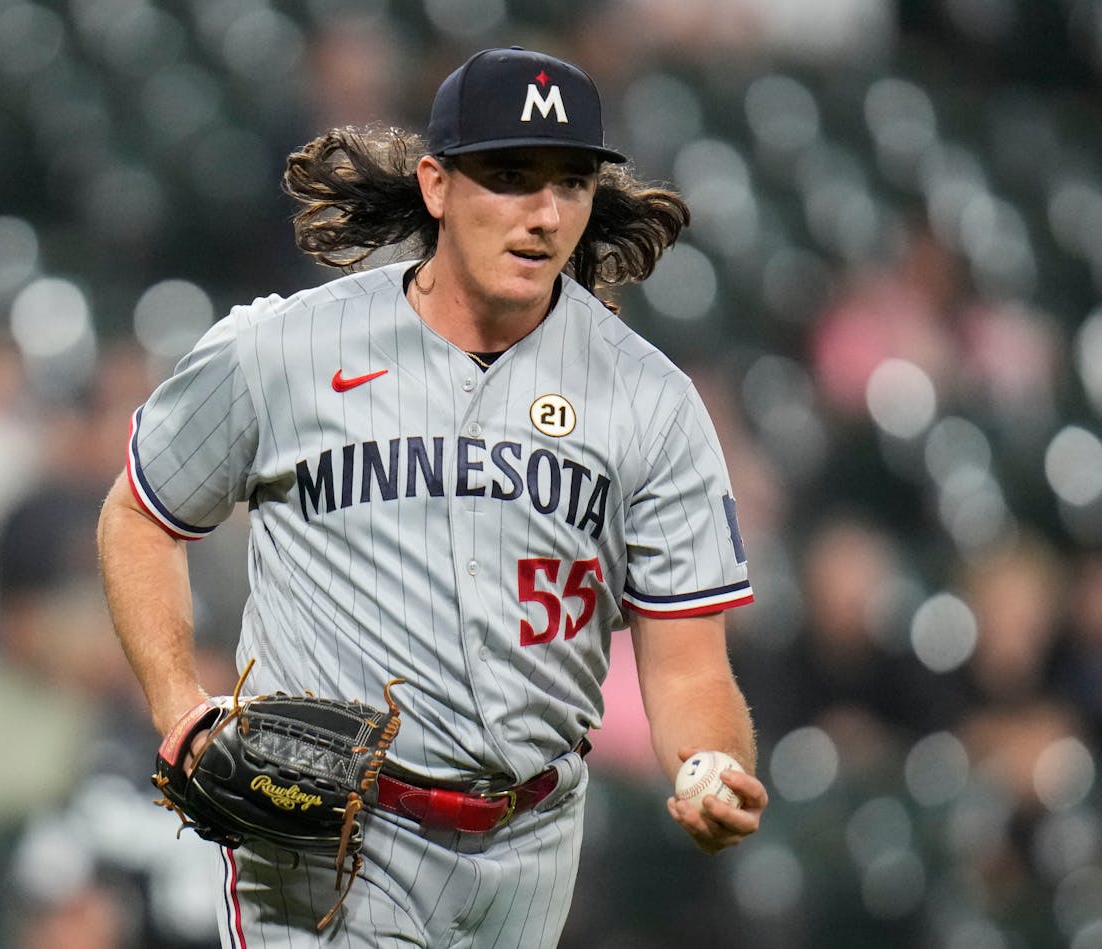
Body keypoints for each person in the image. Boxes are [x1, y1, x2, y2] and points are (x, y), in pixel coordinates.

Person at [98, 46, 767, 947]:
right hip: (326, 839)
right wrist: (180, 705)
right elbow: (142, 510)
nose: (542, 213)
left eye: (569, 183)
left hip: (531, 844)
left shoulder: (650, 401)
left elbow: (688, 664)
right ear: (436, 184)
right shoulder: (285, 350)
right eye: (509, 176)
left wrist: (710, 761)